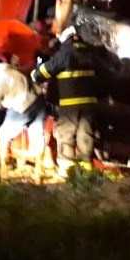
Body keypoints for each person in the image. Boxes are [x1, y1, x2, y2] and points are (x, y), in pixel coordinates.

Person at [31, 25, 104, 177]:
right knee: (86, 134)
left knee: (65, 134)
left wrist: (34, 75)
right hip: (89, 105)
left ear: (66, 39)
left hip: (70, 106)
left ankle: (66, 171)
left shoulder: (65, 53)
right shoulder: (91, 53)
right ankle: (86, 172)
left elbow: (45, 71)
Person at [0, 62, 48, 181]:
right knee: (38, 134)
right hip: (38, 96)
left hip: (22, 105)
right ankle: (38, 171)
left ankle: (4, 171)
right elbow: (16, 69)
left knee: (4, 134)